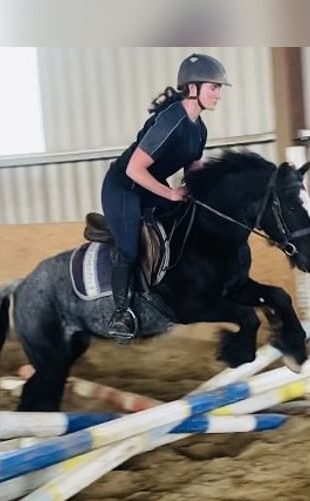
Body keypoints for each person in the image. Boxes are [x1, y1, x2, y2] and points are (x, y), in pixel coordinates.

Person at [100, 53, 231, 341]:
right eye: (214, 87)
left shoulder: (200, 130)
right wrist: (171, 192)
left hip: (149, 186)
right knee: (130, 249)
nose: (218, 95)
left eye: (219, 89)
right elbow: (135, 169)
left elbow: (194, 174)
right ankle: (120, 314)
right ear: (193, 88)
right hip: (123, 187)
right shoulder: (171, 120)